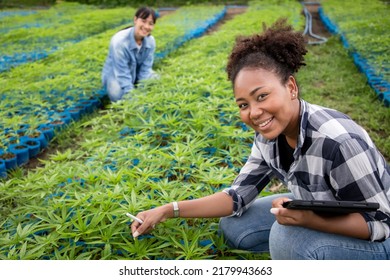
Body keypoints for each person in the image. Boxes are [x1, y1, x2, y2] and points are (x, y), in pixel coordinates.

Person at [130, 18, 390, 260]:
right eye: (243, 104)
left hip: (379, 239)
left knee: (286, 238)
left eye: (262, 96)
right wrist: (168, 209)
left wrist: (308, 220)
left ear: (291, 87)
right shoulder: (268, 136)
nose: (254, 112)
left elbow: (380, 222)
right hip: (325, 208)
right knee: (235, 224)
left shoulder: (338, 141)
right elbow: (236, 197)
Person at [102, 7, 158, 102]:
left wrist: (142, 92)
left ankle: (135, 90)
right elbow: (122, 73)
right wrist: (134, 99)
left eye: (151, 23)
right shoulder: (119, 41)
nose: (146, 26)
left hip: (136, 74)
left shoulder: (150, 41)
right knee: (117, 93)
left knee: (156, 80)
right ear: (135, 20)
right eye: (143, 21)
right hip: (116, 75)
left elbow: (145, 69)